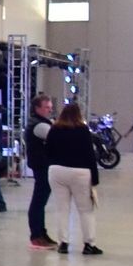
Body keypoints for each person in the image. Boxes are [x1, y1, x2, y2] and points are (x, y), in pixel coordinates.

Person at [46, 102, 103, 256]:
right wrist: (95, 179)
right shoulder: (83, 130)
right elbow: (90, 154)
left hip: (56, 170)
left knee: (62, 208)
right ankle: (89, 244)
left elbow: (48, 150)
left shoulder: (54, 129)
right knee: (85, 210)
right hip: (80, 172)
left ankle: (63, 243)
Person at [26, 94, 56, 249]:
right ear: (37, 108)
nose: (50, 110)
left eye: (50, 108)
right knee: (39, 201)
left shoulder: (42, 122)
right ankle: (36, 235)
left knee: (40, 201)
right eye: (46, 107)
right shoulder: (40, 125)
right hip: (42, 165)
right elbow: (57, 139)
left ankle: (41, 233)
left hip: (43, 165)